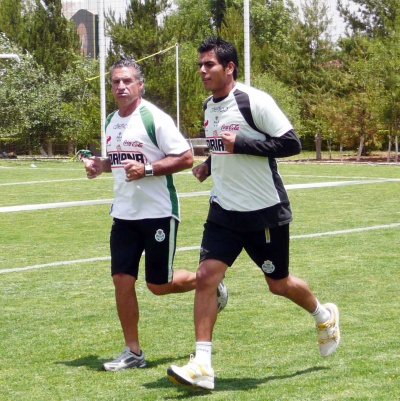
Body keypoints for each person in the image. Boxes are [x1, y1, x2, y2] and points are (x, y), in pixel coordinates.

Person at [167, 37, 340, 390]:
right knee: (206, 277)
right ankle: (202, 365)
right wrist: (209, 165)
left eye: (209, 64)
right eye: (200, 65)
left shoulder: (253, 101)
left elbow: (291, 143)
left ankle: (324, 316)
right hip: (223, 211)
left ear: (229, 67)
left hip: (263, 213)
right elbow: (223, 147)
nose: (202, 71)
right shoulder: (208, 106)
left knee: (279, 284)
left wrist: (242, 145)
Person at [84, 58, 227, 371]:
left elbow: (186, 157)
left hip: (158, 213)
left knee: (158, 285)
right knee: (121, 280)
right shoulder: (111, 120)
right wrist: (99, 166)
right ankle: (133, 352)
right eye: (116, 82)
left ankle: (209, 283)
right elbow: (117, 162)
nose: (121, 87)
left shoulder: (154, 118)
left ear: (140, 85)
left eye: (127, 81)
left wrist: (147, 169)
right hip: (124, 214)